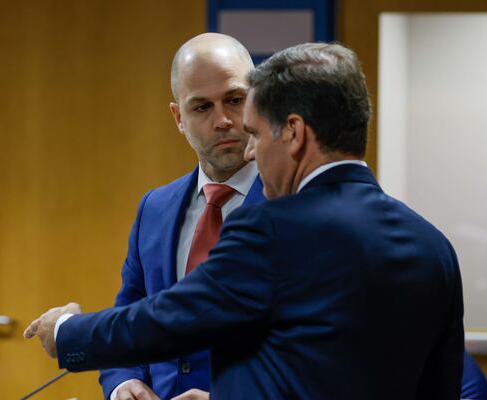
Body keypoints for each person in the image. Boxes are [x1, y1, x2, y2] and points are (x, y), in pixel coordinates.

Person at [25, 42, 464, 399]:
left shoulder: (274, 228)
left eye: (254, 130)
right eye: (201, 107)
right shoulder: (434, 245)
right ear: (178, 116)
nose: (247, 146)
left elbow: (172, 317)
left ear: (293, 132)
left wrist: (66, 331)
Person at [93, 33, 266, 400]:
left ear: (257, 101)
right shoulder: (155, 208)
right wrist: (124, 383)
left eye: (234, 100)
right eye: (202, 107)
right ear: (178, 118)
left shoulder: (293, 204)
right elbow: (128, 315)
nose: (222, 121)